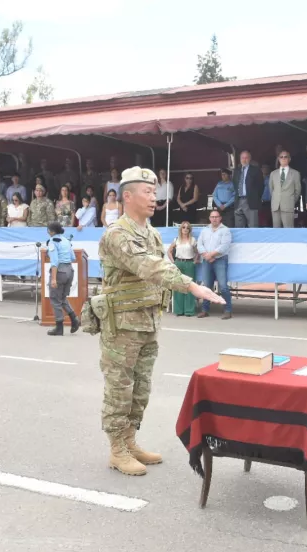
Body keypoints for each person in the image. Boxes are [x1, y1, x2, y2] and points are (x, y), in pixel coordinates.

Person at [96, 166, 223, 476]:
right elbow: (150, 266)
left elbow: (159, 266)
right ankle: (117, 450)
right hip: (122, 324)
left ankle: (130, 441)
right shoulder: (117, 233)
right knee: (119, 388)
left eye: (155, 192)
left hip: (147, 321)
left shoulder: (151, 232)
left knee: (140, 389)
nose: (154, 198)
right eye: (147, 192)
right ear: (127, 196)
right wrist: (192, 286)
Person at [45, 222, 81, 336]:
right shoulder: (66, 240)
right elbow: (73, 257)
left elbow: (54, 261)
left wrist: (54, 279)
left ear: (51, 231)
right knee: (62, 297)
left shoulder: (52, 242)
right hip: (69, 270)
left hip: (59, 271)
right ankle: (74, 318)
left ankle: (59, 327)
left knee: (55, 299)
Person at [196, 209, 233, 319]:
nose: (214, 219)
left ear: (220, 218)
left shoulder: (225, 230)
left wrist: (210, 255)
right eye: (212, 217)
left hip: (220, 260)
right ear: (209, 218)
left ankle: (228, 310)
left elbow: (224, 246)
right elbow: (199, 244)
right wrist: (206, 255)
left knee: (223, 287)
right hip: (207, 260)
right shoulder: (205, 230)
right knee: (207, 286)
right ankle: (205, 310)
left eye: (216, 217)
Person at [167, 221, 199, 316]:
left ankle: (189, 310)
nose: (185, 229)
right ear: (180, 229)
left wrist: (195, 261)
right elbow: (169, 251)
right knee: (178, 286)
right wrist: (173, 262)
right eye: (183, 227)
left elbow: (197, 252)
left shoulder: (192, 240)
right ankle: (178, 310)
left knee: (189, 286)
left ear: (189, 230)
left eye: (187, 228)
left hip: (189, 263)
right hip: (178, 263)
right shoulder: (177, 240)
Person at [232, 151, 264, 228]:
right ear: (240, 159)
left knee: (253, 226)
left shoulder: (256, 170)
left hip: (251, 201)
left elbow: (261, 187)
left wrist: (255, 198)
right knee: (239, 227)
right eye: (242, 158)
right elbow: (235, 185)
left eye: (246, 158)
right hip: (238, 200)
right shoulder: (236, 171)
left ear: (250, 159)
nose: (244, 160)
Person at [270, 150, 301, 228]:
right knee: (276, 232)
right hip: (275, 206)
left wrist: (291, 201)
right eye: (281, 157)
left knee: (288, 231)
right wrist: (275, 199)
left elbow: (297, 190)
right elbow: (271, 189)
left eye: (285, 157)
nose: (283, 158)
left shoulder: (295, 173)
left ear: (289, 159)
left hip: (288, 206)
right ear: (278, 159)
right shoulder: (273, 173)